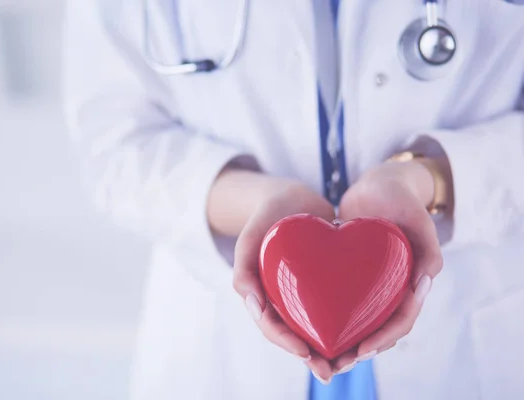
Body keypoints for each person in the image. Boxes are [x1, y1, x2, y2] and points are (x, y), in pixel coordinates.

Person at [63, 0, 524, 399]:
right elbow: (114, 148)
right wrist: (254, 202)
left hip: (468, 330)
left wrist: (434, 178)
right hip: (221, 349)